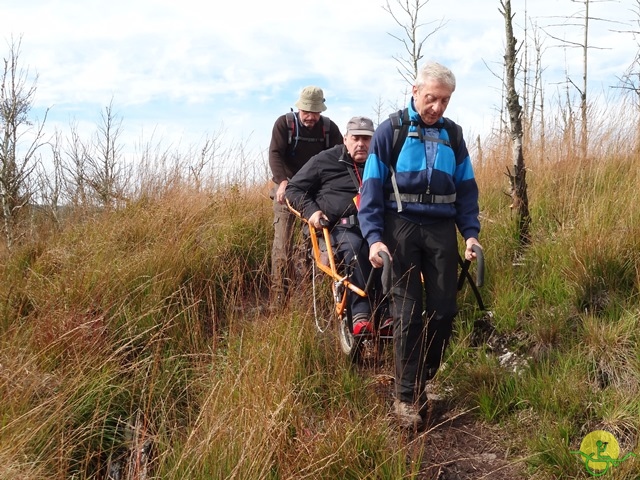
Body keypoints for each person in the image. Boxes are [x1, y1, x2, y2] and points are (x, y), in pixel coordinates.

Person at [358, 61, 482, 429]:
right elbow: (371, 193)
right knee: (408, 315)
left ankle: (419, 378)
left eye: (445, 101)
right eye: (432, 99)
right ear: (415, 91)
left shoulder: (454, 136)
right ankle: (406, 396)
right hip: (401, 229)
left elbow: (467, 190)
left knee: (444, 312)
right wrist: (374, 239)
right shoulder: (389, 132)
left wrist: (471, 233)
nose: (438, 108)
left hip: (441, 231)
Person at [285, 116, 389, 333]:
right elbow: (293, 189)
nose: (361, 143)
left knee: (395, 248)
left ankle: (388, 314)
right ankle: (361, 314)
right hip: (342, 227)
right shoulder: (325, 160)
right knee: (357, 247)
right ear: (345, 139)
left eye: (366, 139)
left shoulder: (381, 162)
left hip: (377, 225)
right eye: (356, 138)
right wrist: (312, 212)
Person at [268, 86, 343, 306]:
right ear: (299, 107)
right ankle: (279, 300)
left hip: (315, 197)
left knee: (316, 247)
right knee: (283, 247)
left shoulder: (329, 129)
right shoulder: (284, 124)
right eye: (306, 112)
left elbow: (339, 158)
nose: (310, 117)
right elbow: (275, 154)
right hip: (286, 192)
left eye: (315, 112)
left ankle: (313, 300)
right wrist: (282, 181)